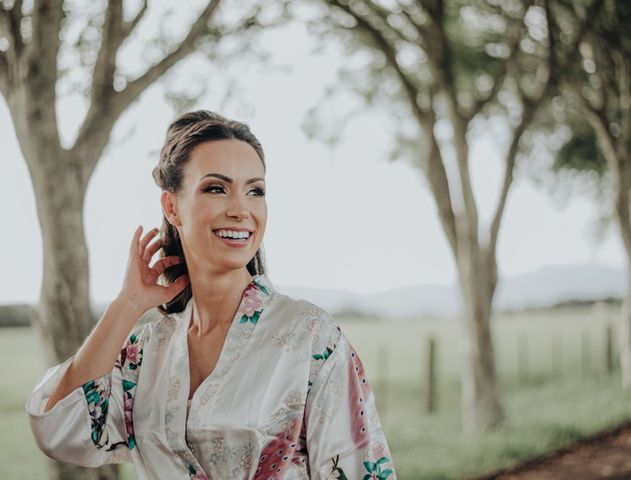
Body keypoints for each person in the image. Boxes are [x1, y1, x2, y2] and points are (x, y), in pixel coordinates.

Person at [25, 110, 396, 480]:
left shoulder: (310, 337)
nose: (240, 209)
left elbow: (362, 470)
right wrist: (128, 304)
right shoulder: (146, 354)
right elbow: (60, 431)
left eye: (255, 191)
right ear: (172, 207)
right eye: (216, 188)